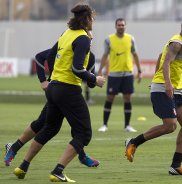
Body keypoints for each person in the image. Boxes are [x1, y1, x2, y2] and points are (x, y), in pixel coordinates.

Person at [13, 3, 105, 182]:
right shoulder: (82, 38)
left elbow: (48, 57)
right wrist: (95, 79)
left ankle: (22, 166)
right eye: (92, 18)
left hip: (54, 87)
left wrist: (54, 77)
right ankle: (58, 170)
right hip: (68, 89)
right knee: (84, 133)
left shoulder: (66, 34)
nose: (93, 21)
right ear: (86, 19)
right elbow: (78, 69)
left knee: (49, 128)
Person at [125, 15, 182, 175]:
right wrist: (165, 83)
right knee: (170, 125)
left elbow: (161, 56)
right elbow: (166, 62)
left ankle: (176, 166)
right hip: (164, 89)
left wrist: (159, 77)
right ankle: (133, 142)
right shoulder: (177, 43)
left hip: (177, 91)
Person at [4, 49, 100, 168]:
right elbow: (39, 56)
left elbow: (90, 83)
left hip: (71, 93)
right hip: (58, 91)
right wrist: (43, 80)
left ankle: (82, 156)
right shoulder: (65, 46)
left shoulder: (90, 56)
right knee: (42, 123)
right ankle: (13, 148)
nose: (88, 37)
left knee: (76, 127)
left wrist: (95, 78)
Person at [97, 18, 142, 132]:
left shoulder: (131, 39)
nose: (121, 27)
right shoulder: (109, 39)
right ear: (115, 26)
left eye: (122, 25)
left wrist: (140, 71)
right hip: (114, 74)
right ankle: (104, 125)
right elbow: (105, 55)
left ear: (125, 26)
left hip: (128, 74)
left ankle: (127, 125)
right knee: (110, 98)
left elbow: (135, 55)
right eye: (119, 25)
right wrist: (100, 70)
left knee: (127, 98)